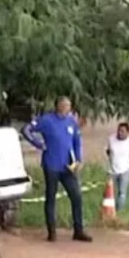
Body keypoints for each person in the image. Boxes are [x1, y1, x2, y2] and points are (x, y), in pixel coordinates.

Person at [22, 96, 92, 243]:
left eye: (69, 105)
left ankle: (78, 230)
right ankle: (51, 231)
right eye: (65, 105)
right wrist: (38, 143)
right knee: (51, 198)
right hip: (51, 165)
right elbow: (26, 129)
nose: (68, 108)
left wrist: (78, 160)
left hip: (68, 167)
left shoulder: (71, 121)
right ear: (58, 106)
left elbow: (76, 142)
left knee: (76, 196)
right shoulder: (47, 120)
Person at [106, 122, 129, 211]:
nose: (120, 132)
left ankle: (119, 210)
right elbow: (108, 151)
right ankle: (109, 210)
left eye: (122, 131)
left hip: (125, 170)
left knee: (122, 192)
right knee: (110, 192)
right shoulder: (111, 139)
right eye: (119, 130)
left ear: (127, 132)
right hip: (112, 170)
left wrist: (126, 166)